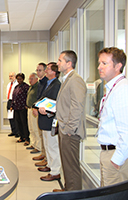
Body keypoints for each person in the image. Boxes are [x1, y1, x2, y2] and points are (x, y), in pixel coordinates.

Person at [97, 47, 128, 187]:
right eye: (99, 63)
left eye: (104, 63)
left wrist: (117, 160)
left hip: (117, 157)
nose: (99, 67)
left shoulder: (123, 89)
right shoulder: (113, 88)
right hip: (109, 154)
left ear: (118, 66)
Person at [54, 50, 87, 192]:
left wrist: (69, 129)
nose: (57, 63)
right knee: (66, 163)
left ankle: (73, 194)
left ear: (69, 63)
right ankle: (68, 190)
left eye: (60, 60)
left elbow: (77, 107)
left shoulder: (76, 80)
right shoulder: (67, 79)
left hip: (70, 132)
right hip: (65, 129)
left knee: (72, 166)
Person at [37, 63, 62, 182]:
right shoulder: (49, 83)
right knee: (47, 145)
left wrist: (45, 109)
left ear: (54, 72)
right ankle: (50, 166)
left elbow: (54, 102)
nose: (46, 71)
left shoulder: (56, 85)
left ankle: (55, 171)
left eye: (48, 69)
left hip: (50, 119)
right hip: (45, 119)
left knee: (52, 146)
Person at [32, 63, 47, 166]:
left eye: (40, 70)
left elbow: (44, 98)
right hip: (39, 110)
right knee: (41, 135)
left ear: (45, 71)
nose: (38, 72)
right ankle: (43, 153)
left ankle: (46, 158)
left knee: (45, 138)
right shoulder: (41, 82)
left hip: (44, 112)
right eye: (37, 70)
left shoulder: (46, 82)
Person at [10, 73, 30, 146]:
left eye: (20, 79)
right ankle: (22, 137)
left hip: (23, 108)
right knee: (18, 123)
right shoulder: (16, 87)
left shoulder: (26, 87)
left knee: (24, 123)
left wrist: (26, 105)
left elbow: (28, 97)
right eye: (18, 79)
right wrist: (12, 106)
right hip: (16, 108)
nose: (19, 80)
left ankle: (27, 138)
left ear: (23, 79)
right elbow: (14, 97)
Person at [26, 73, 40, 152]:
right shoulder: (31, 87)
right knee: (31, 128)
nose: (30, 80)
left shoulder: (38, 87)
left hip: (34, 110)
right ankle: (33, 143)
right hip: (29, 109)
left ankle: (38, 147)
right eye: (29, 79)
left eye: (32, 79)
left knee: (35, 128)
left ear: (36, 79)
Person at [6, 72, 19, 137]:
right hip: (9, 101)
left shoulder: (17, 84)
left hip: (14, 102)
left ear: (15, 76)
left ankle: (17, 132)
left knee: (15, 118)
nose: (10, 77)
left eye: (11, 76)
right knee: (10, 117)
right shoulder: (9, 84)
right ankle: (13, 131)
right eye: (9, 76)